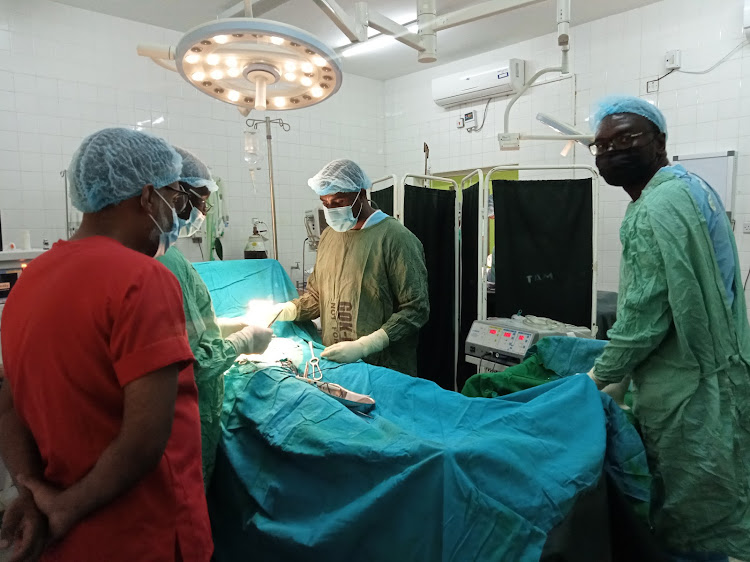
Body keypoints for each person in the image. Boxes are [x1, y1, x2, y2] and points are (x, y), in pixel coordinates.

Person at [0, 128, 213, 561]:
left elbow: (7, 401)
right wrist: (65, 508)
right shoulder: (143, 279)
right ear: (148, 196)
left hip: (66, 540)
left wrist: (32, 493)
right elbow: (144, 440)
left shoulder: (30, 280)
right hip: (142, 532)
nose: (176, 213)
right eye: (175, 198)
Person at [587, 96, 750, 562]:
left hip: (687, 394)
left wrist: (598, 379)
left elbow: (642, 319)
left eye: (626, 138)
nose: (611, 151)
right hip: (720, 376)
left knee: (692, 519)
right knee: (726, 498)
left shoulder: (655, 208)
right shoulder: (692, 189)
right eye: (600, 145)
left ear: (659, 141)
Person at [157, 146, 272, 486]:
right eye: (201, 201)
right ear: (173, 195)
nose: (204, 211)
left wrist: (232, 326)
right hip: (179, 423)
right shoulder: (157, 265)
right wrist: (242, 341)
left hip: (193, 416)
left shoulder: (170, 255)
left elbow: (192, 329)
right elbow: (189, 361)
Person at [271, 159, 429, 377]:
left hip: (384, 368)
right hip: (335, 364)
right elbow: (318, 298)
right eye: (325, 203)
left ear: (361, 194)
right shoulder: (328, 237)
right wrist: (286, 310)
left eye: (338, 201)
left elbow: (416, 309)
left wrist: (366, 345)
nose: (331, 209)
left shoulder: (396, 238)